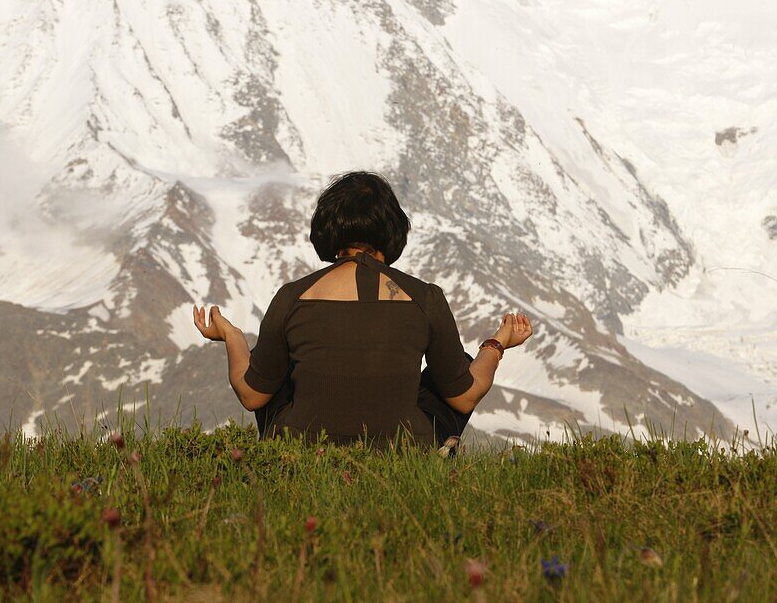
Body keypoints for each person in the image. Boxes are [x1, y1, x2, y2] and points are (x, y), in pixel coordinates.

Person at [192, 170, 533, 452]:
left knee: (273, 370)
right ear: (393, 231)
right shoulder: (424, 297)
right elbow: (465, 396)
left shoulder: (292, 296)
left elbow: (253, 395)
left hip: (299, 452)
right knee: (449, 371)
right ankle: (436, 454)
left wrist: (232, 336)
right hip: (405, 453)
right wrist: (497, 343)